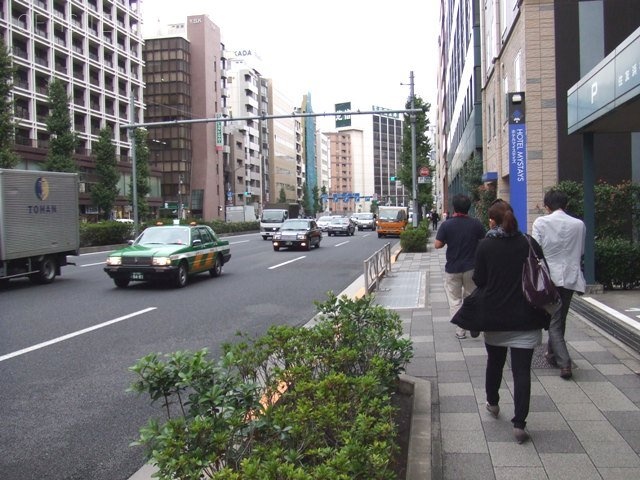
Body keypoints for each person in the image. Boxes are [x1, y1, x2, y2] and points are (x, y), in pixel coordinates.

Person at [452, 200, 550, 444]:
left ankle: (493, 403)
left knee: (494, 363)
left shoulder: (485, 246)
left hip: (494, 317)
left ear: (492, 221)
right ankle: (519, 425)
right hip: (527, 316)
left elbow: (480, 280)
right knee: (521, 372)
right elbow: (542, 271)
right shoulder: (529, 242)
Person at [532, 189, 586, 380]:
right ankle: (552, 354)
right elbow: (581, 251)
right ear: (566, 204)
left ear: (547, 206)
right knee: (560, 318)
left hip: (550, 278)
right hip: (571, 276)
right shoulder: (579, 224)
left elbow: (536, 250)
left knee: (555, 321)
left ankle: (564, 363)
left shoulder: (541, 222)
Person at [434, 194, 485, 339]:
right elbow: (483, 242)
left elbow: (437, 245)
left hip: (453, 267)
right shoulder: (476, 224)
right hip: (472, 267)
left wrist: (446, 241)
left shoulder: (447, 225)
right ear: (469, 208)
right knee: (471, 297)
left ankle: (461, 330)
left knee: (455, 299)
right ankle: (473, 324)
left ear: (454, 208)